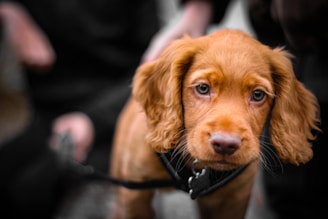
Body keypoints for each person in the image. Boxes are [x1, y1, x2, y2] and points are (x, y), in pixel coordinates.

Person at [142, 0, 328, 219]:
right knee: (285, 196)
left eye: (257, 95)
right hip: (278, 30)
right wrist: (201, 5)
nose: (226, 137)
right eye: (203, 88)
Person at [0, 0, 160, 217]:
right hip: (48, 119)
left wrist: (91, 120)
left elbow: (153, 73)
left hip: (117, 120)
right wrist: (9, 12)